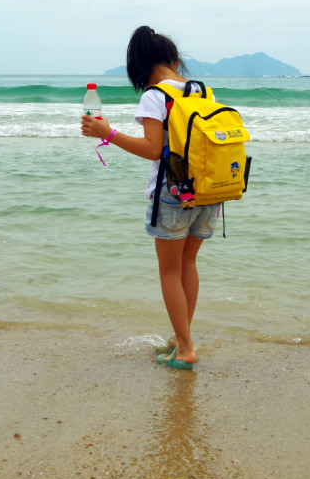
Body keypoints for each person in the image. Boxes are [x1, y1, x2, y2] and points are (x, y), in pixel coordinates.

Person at [81, 26, 220, 370]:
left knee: (170, 272)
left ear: (141, 67)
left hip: (173, 194)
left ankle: (185, 348)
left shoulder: (155, 95)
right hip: (208, 192)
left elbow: (152, 150)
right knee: (188, 264)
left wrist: (107, 133)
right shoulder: (203, 92)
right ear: (175, 60)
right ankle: (181, 337)